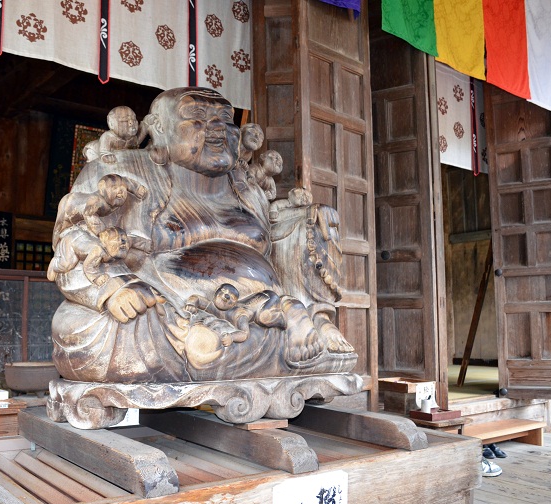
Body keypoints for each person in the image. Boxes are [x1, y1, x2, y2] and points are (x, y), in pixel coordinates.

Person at [49, 87, 357, 383]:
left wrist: (307, 220)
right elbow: (74, 238)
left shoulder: (246, 185)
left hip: (260, 304)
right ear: (158, 127)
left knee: (316, 219)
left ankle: (313, 321)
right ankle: (261, 343)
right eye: (197, 116)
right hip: (166, 311)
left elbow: (278, 242)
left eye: (225, 119)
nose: (218, 128)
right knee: (83, 328)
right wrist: (114, 290)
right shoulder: (119, 172)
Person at [83, 106, 148, 163]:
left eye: (134, 119)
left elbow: (138, 140)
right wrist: (105, 154)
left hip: (118, 155)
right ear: (111, 124)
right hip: (95, 150)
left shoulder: (132, 138)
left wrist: (145, 125)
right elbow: (104, 150)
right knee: (91, 153)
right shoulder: (108, 136)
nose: (131, 123)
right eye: (125, 120)